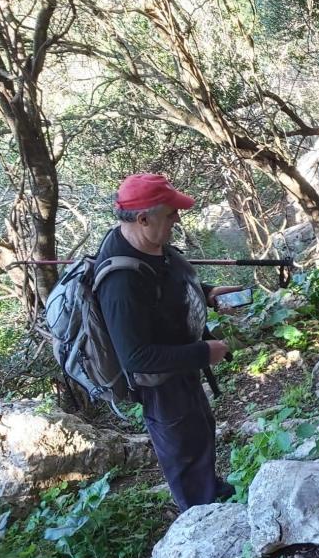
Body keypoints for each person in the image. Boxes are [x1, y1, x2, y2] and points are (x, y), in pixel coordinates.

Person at [96, 173, 242, 511]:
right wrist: (204, 352)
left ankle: (212, 491)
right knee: (184, 450)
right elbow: (136, 357)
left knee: (200, 430)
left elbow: (169, 282)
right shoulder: (120, 284)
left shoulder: (150, 243)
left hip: (182, 367)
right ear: (143, 218)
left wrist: (206, 293)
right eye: (170, 213)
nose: (177, 218)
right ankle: (200, 517)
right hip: (162, 385)